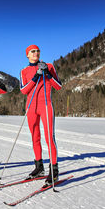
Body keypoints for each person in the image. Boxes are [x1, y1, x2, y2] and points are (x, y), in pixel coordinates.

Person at [20, 45, 62, 184]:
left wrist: (47, 74)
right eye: (32, 51)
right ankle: (39, 167)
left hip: (45, 105)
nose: (36, 53)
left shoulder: (48, 66)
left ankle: (54, 171)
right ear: (27, 55)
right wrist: (36, 77)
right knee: (35, 137)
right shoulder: (24, 71)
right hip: (31, 107)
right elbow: (23, 90)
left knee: (50, 137)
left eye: (37, 51)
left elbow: (58, 86)